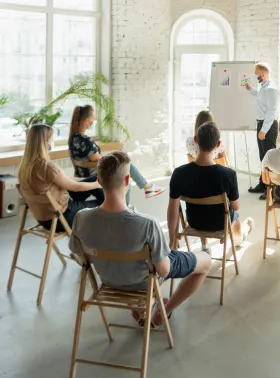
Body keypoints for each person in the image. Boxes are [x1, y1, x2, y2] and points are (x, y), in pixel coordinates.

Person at [69, 151, 211, 327]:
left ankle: (137, 310)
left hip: (109, 280)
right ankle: (163, 313)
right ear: (128, 181)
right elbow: (164, 271)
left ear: (98, 180)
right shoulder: (147, 224)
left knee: (124, 258)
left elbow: (80, 257)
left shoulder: (81, 218)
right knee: (205, 261)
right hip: (143, 284)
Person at [168, 122, 253, 255]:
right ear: (218, 145)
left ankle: (205, 246)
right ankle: (240, 237)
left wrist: (172, 239)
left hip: (194, 222)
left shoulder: (179, 173)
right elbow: (236, 207)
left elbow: (173, 208)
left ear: (196, 140)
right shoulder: (229, 175)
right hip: (221, 225)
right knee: (236, 215)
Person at [18, 123, 104, 231]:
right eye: (51, 140)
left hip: (44, 218)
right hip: (62, 218)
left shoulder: (25, 167)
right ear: (44, 143)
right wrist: (98, 184)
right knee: (104, 205)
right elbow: (75, 187)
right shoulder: (47, 167)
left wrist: (89, 181)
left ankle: (118, 211)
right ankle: (119, 213)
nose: (52, 143)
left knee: (93, 180)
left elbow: (64, 180)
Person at [68, 105, 165, 198]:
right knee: (126, 166)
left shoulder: (73, 138)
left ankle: (147, 188)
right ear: (86, 121)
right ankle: (145, 189)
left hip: (84, 177)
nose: (95, 120)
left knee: (123, 162)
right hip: (94, 178)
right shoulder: (85, 141)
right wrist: (115, 158)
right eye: (93, 118)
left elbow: (90, 161)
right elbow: (99, 163)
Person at [244, 62, 280, 199]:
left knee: (269, 158)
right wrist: (251, 89)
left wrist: (264, 130)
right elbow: (260, 95)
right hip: (262, 124)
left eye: (256, 74)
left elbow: (271, 112)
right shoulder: (264, 88)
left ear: (262, 74)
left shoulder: (272, 90)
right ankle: (263, 184)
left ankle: (271, 189)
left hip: (268, 126)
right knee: (263, 157)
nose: (254, 76)